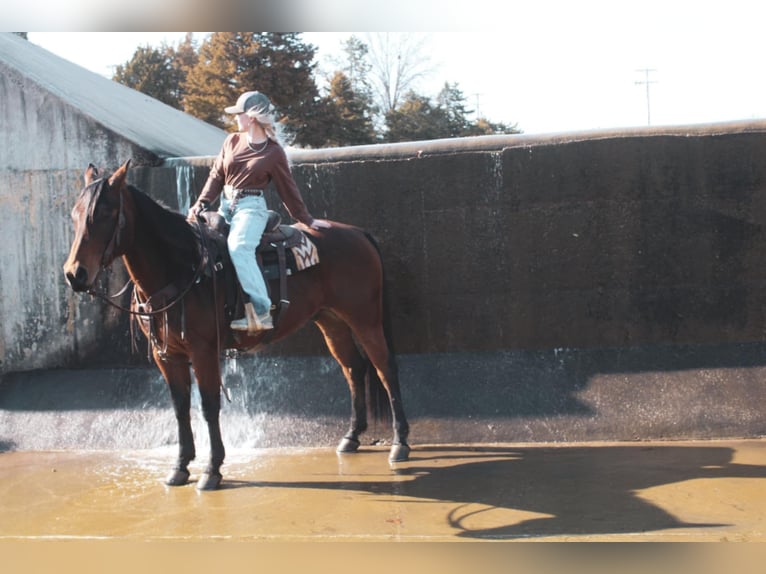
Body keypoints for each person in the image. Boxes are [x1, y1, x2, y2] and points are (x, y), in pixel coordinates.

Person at [188, 91, 331, 332]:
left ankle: (262, 310)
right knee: (196, 239)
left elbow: (288, 189)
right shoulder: (231, 141)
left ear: (251, 117)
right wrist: (201, 203)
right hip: (225, 204)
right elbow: (216, 175)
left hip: (251, 208)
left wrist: (306, 219)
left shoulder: (273, 152)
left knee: (239, 246)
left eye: (239, 114)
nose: (236, 118)